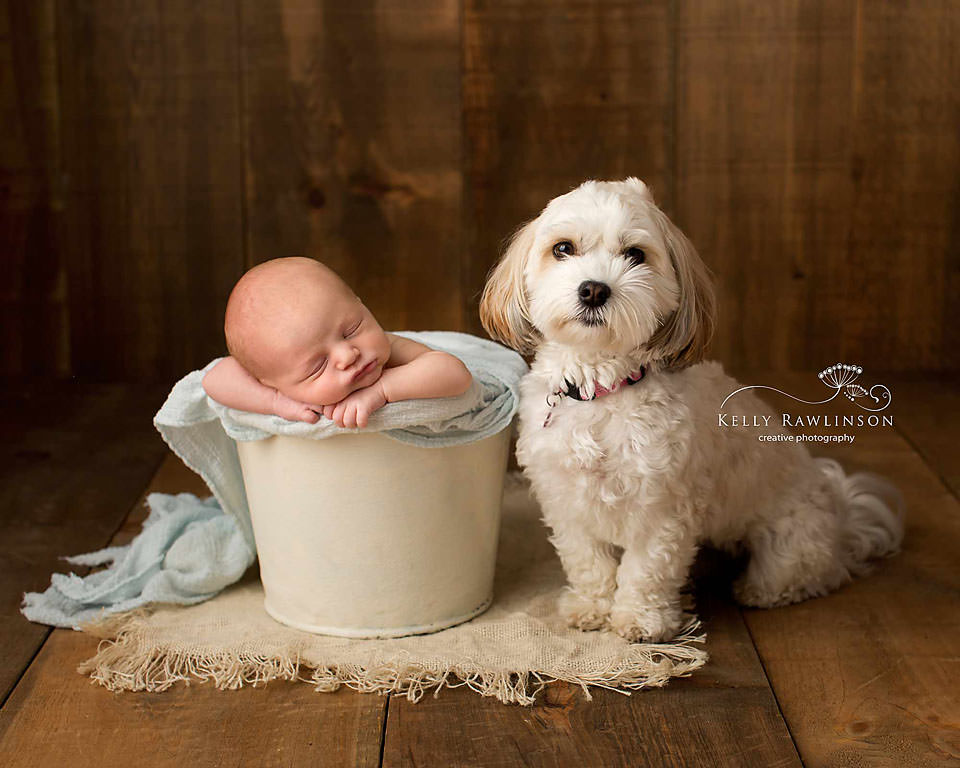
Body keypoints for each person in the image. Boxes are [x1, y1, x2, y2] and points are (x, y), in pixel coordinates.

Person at [202, 257, 473, 428]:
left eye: (352, 329)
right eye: (318, 366)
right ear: (270, 382)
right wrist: (276, 403)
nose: (348, 354)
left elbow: (454, 374)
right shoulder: (282, 390)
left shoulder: (389, 352)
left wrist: (381, 390)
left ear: (361, 304)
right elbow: (213, 380)